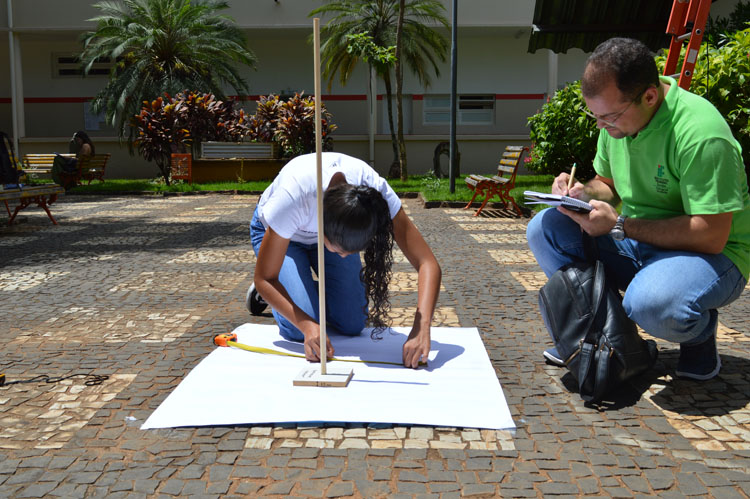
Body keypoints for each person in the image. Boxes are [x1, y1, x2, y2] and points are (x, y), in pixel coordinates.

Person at [526, 38, 749, 381]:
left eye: (609, 116)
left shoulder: (701, 134)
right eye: (595, 115)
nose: (602, 126)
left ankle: (699, 333)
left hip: (714, 256)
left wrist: (621, 226)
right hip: (641, 240)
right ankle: (607, 335)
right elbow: (608, 183)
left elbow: (711, 235)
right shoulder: (618, 122)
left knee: (652, 305)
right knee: (545, 228)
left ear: (649, 96)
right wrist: (582, 193)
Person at [249, 152, 442, 368]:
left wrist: (422, 327)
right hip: (280, 237)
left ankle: (300, 289)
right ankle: (280, 285)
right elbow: (264, 278)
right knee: (299, 327)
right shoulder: (295, 197)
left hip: (326, 230)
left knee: (352, 323)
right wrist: (306, 325)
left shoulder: (374, 196)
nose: (344, 256)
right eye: (339, 251)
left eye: (353, 251)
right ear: (323, 225)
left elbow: (428, 263)